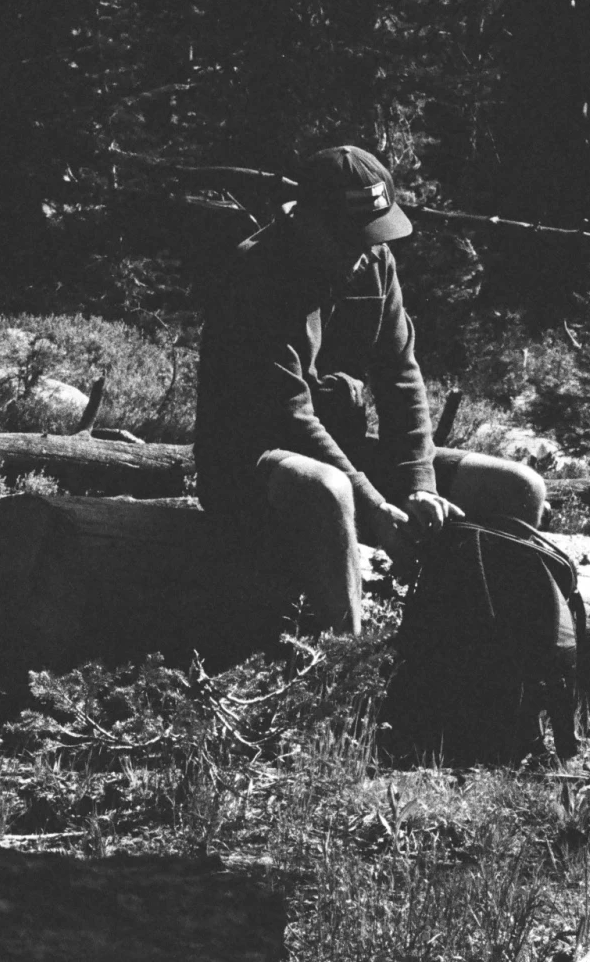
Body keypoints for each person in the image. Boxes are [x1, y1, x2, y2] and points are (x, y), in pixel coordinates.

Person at [195, 143, 546, 632]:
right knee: (328, 488)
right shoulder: (256, 274)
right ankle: (345, 667)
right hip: (252, 468)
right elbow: (288, 419)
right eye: (348, 238)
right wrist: (375, 505)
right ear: (307, 220)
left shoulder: (375, 263)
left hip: (346, 458)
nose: (363, 252)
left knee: (515, 488)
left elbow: (402, 381)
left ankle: (464, 655)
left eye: (370, 238)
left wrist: (418, 487)